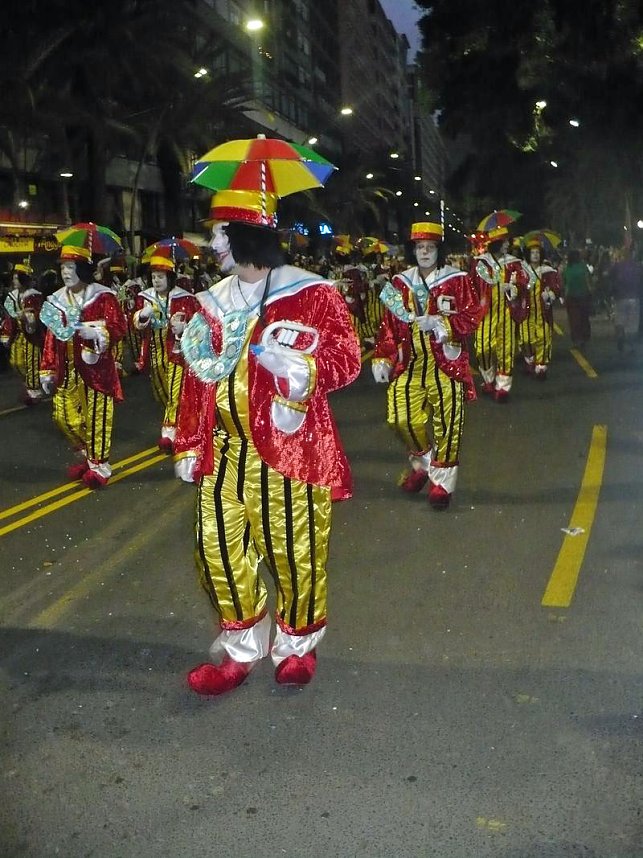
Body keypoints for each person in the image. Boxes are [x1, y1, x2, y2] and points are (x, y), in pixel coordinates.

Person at [173, 188, 362, 695]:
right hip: (224, 451)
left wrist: (303, 371)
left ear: (244, 235)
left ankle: (297, 646)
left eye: (218, 232)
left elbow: (347, 359)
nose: (211, 243)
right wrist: (189, 439)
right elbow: (196, 376)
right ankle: (240, 648)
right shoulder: (212, 302)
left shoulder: (311, 293)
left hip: (290, 452)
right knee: (215, 548)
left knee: (294, 551)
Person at [371, 222, 482, 510]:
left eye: (430, 248)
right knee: (400, 418)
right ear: (413, 251)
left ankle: (442, 484)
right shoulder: (399, 283)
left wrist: (442, 323)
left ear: (438, 251)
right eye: (420, 248)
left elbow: (472, 317)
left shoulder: (456, 280)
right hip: (410, 363)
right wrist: (382, 356)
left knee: (448, 425)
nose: (424, 253)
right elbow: (389, 326)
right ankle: (422, 462)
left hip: (447, 362)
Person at [39, 243, 127, 488]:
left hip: (96, 369)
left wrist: (100, 333)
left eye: (70, 267)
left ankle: (99, 465)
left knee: (98, 418)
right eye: (63, 267)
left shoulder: (102, 296)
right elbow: (50, 337)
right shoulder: (57, 300)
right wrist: (47, 368)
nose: (65, 272)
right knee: (63, 417)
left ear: (82, 269)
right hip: (67, 370)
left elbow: (119, 327)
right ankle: (87, 456)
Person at [132, 255, 199, 451]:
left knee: (174, 391)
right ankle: (180, 422)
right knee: (162, 392)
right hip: (154, 350)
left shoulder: (185, 298)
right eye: (154, 277)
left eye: (160, 277)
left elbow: (198, 326)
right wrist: (142, 317)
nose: (156, 281)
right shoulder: (145, 298)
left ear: (170, 278)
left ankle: (169, 433)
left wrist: (184, 328)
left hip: (177, 352)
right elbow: (135, 326)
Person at [470, 227, 529, 401]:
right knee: (482, 349)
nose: (506, 245)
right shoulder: (480, 263)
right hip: (485, 313)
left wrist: (513, 288)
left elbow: (522, 282)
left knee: (506, 349)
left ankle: (502, 386)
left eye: (506, 242)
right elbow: (471, 286)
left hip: (506, 311)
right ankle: (488, 377)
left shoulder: (513, 263)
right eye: (502, 242)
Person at [0, 260, 45, 405]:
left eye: (16, 278)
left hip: (31, 334)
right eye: (13, 278)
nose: (14, 281)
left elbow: (37, 315)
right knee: (16, 362)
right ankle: (30, 384)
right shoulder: (12, 296)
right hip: (18, 334)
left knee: (32, 362)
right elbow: (9, 316)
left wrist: (28, 317)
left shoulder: (33, 295)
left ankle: (34, 391)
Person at [518, 240, 561, 379]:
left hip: (543, 313)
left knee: (544, 338)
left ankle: (541, 366)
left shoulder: (548, 272)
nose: (535, 255)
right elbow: (517, 289)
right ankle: (529, 359)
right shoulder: (522, 272)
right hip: (526, 313)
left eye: (537, 253)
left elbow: (557, 287)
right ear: (528, 255)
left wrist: (550, 294)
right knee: (526, 339)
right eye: (532, 253)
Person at [608, 246, 643, 354]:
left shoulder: (617, 266)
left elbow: (610, 277)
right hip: (634, 297)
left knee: (620, 318)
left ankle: (620, 334)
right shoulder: (637, 267)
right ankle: (632, 346)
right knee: (632, 323)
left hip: (621, 297)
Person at [562, 249, 592, 348]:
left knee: (574, 319)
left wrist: (564, 298)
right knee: (584, 317)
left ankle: (577, 339)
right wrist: (591, 292)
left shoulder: (567, 269)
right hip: (583, 295)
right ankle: (584, 337)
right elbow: (588, 281)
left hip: (571, 297)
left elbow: (566, 285)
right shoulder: (583, 267)